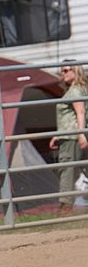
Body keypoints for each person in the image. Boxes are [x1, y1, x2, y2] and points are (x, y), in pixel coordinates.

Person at [49, 61, 88, 216]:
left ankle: (66, 207)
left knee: (67, 169)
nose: (63, 73)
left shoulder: (75, 91)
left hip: (73, 137)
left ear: (75, 71)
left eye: (66, 70)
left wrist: (80, 135)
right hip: (72, 135)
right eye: (62, 71)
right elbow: (72, 115)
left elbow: (80, 113)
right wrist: (58, 135)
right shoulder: (79, 90)